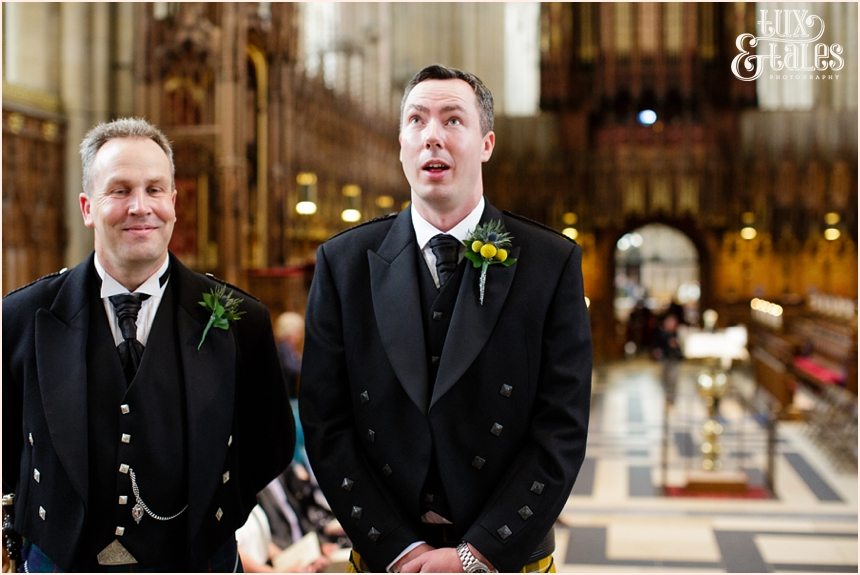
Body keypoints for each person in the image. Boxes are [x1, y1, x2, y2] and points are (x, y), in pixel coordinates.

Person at [299, 65, 592, 573]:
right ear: (401, 145)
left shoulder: (551, 263)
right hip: (387, 556)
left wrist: (476, 555)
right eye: (417, 120)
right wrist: (397, 547)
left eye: (453, 120)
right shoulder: (342, 264)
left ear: (487, 144)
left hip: (505, 556)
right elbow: (327, 425)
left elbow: (561, 429)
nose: (432, 135)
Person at [2, 117, 295, 571]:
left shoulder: (240, 320)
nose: (140, 207)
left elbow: (269, 442)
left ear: (174, 203)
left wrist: (212, 515)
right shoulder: (21, 318)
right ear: (86, 207)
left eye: (155, 190)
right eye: (119, 191)